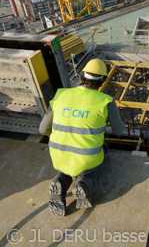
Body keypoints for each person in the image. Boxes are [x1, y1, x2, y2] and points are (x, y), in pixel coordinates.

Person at [39, 58, 126, 217]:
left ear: (81, 77)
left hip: (58, 155)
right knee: (101, 154)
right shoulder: (106, 101)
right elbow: (120, 131)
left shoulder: (60, 95)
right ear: (102, 81)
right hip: (87, 158)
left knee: (69, 164)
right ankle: (83, 182)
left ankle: (61, 180)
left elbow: (43, 129)